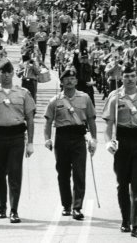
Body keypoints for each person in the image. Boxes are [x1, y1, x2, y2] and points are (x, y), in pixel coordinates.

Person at [102, 66, 137, 239]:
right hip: (122, 143)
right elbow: (109, 125)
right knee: (122, 184)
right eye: (126, 76)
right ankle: (125, 220)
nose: (129, 79)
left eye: (133, 76)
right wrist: (108, 142)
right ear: (122, 78)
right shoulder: (115, 98)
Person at [0, 61, 36, 223]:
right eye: (3, 72)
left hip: (17, 137)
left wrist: (30, 142)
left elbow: (30, 119)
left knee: (15, 173)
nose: (6, 75)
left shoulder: (23, 93)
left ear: (13, 74)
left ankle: (14, 209)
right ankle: (2, 205)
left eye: (9, 72)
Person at [43, 68, 97, 220]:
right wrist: (47, 138)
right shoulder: (55, 100)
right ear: (62, 82)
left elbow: (91, 119)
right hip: (62, 138)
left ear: (76, 81)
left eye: (73, 79)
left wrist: (94, 139)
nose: (70, 81)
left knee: (79, 173)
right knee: (63, 173)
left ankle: (77, 207)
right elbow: (48, 121)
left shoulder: (85, 98)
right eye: (66, 79)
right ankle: (66, 204)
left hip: (79, 138)